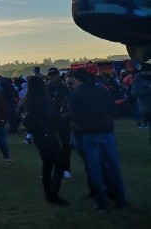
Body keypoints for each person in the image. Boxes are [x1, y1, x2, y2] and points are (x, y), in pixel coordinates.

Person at [68, 68, 127, 211]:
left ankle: (101, 202)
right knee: (114, 167)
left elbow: (74, 116)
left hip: (89, 134)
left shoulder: (75, 95)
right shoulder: (102, 91)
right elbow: (113, 110)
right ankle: (121, 201)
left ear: (77, 80)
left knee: (95, 169)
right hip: (107, 131)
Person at [21, 76, 68, 205]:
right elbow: (52, 115)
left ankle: (48, 193)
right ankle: (53, 194)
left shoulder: (28, 99)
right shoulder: (44, 99)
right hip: (48, 134)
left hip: (37, 136)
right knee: (59, 164)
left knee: (47, 164)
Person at [46, 67, 72, 177]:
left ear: (58, 76)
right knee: (52, 145)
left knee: (65, 144)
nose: (51, 78)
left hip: (63, 119)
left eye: (53, 76)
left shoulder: (64, 87)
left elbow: (69, 101)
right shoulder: (46, 89)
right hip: (50, 120)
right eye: (50, 76)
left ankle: (66, 168)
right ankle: (56, 167)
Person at [131, 62, 151, 144]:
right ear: (145, 71)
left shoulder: (147, 79)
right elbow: (135, 93)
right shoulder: (138, 80)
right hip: (147, 108)